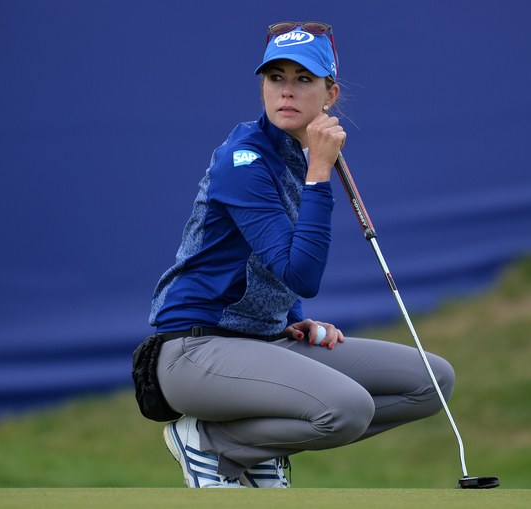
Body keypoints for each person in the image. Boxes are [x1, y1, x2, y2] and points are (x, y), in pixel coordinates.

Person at [147, 21, 455, 488]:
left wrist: (293, 316)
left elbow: (274, 268)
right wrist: (319, 172)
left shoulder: (300, 153)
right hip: (194, 348)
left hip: (264, 341)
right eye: (276, 78)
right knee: (347, 409)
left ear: (330, 93)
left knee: (433, 382)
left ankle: (254, 453)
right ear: (262, 87)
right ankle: (211, 444)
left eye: (303, 80)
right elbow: (301, 271)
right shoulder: (242, 159)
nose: (286, 91)